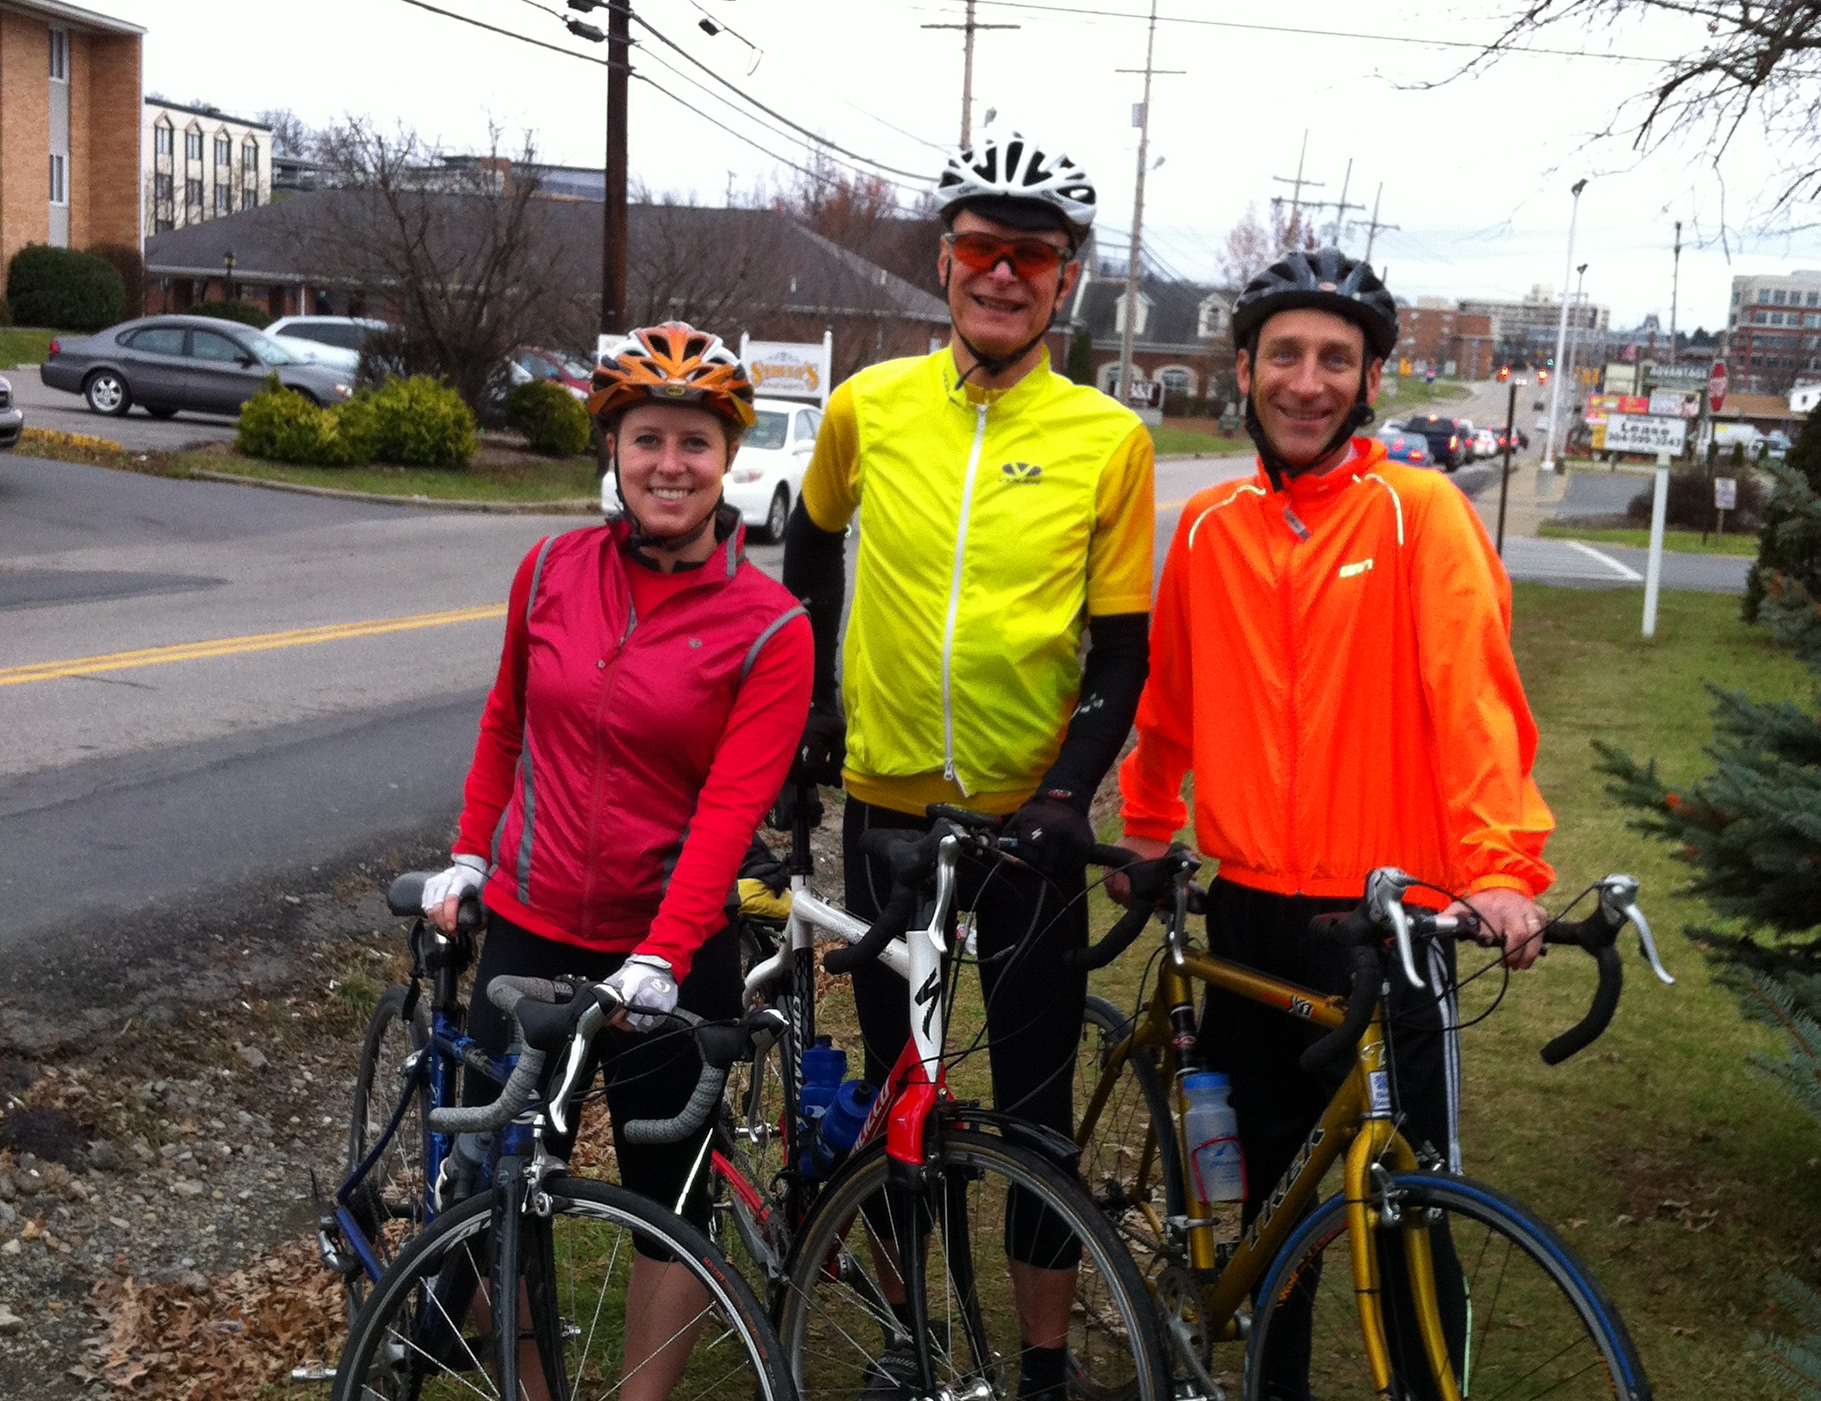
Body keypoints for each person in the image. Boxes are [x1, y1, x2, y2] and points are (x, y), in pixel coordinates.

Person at [1115, 247, 1555, 1395]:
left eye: (1335, 360)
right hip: (1251, 915)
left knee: (1412, 1205)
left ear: (1368, 382)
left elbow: (1475, 701)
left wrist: (1499, 867)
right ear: (1245, 369)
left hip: (1389, 923)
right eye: (1285, 355)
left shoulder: (1420, 515)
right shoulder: (1207, 528)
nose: (1306, 383)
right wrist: (1149, 825)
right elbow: (1170, 700)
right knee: (1266, 1202)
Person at [781, 130, 1155, 1400]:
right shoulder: (868, 406)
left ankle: (1042, 1360)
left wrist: (1066, 794)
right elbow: (810, 548)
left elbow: (1123, 648)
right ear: (945, 263)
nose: (1004, 273)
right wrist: (815, 704)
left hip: (1026, 829)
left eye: (1031, 256)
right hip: (888, 811)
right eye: (983, 248)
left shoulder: (1109, 438)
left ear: (1065, 280)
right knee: (906, 1097)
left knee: (1037, 1105)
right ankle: (916, 1336)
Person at [418, 321, 813, 1400]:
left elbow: (730, 812)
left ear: (727, 457)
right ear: (614, 449)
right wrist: (469, 853)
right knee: (496, 1187)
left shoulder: (769, 627)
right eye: (647, 439)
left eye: (694, 442)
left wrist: (663, 954)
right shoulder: (550, 569)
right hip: (531, 926)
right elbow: (505, 723)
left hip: (669, 957)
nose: (669, 465)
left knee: (665, 1204)